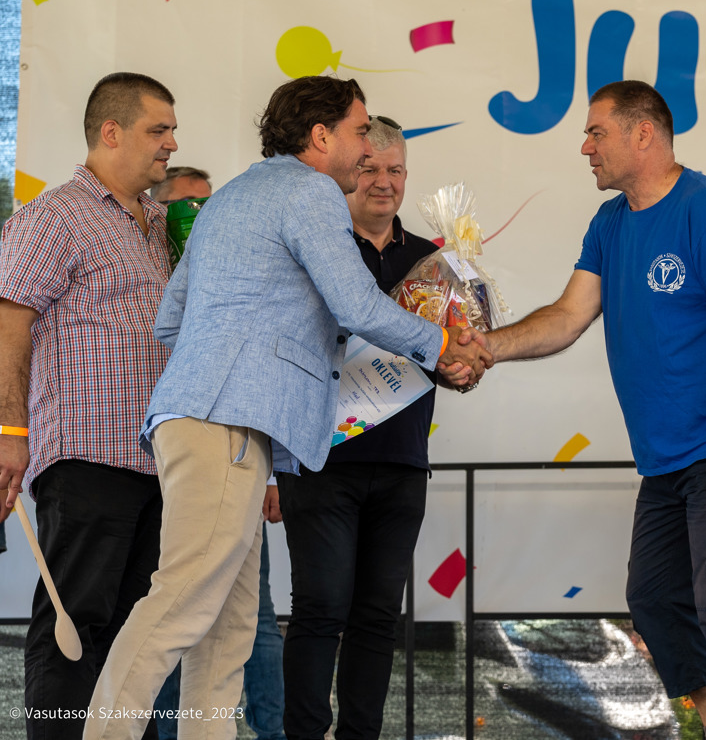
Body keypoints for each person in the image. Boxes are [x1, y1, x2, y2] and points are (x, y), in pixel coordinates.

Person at [83, 76, 489, 739]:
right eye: (360, 133)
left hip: (211, 418)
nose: (368, 149)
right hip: (225, 422)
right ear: (320, 136)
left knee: (228, 626)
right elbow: (356, 303)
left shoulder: (231, 196)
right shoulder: (309, 191)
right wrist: (441, 342)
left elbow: (170, 320)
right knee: (180, 605)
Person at [460, 79, 706, 740]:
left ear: (644, 133)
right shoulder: (609, 223)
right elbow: (567, 316)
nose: (585, 147)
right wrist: (485, 347)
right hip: (666, 458)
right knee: (655, 598)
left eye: (596, 132)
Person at [0, 72, 178, 740]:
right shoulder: (56, 215)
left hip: (159, 462)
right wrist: (9, 430)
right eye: (158, 129)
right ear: (111, 132)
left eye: (172, 130)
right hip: (88, 454)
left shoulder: (160, 222)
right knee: (74, 624)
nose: (171, 143)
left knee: (136, 639)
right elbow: (9, 324)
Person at [277, 116, 441, 739]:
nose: (382, 182)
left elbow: (443, 357)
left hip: (403, 463)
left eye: (395, 170)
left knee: (377, 617)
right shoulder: (316, 248)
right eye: (369, 167)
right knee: (319, 609)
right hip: (320, 462)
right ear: (347, 170)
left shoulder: (433, 262)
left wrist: (465, 362)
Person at [148, 168, 286, 740]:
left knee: (253, 613)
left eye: (209, 203)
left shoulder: (235, 267)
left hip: (234, 451)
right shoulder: (146, 267)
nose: (199, 215)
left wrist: (273, 471)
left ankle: (270, 731)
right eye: (187, 206)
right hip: (152, 463)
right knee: (173, 607)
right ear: (159, 213)